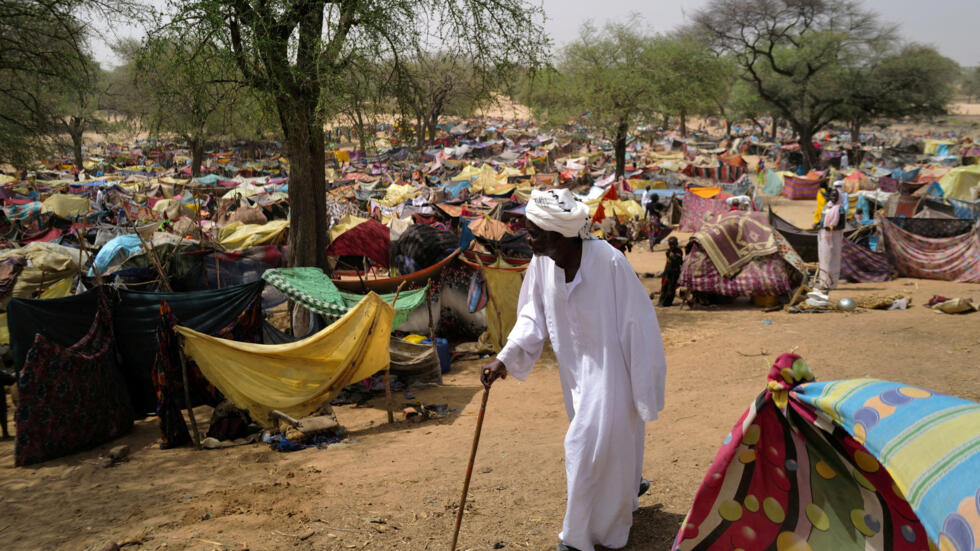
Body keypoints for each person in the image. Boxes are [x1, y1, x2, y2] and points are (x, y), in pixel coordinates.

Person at [481, 189, 667, 551]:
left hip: (615, 373)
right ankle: (625, 495)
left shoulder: (609, 262)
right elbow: (532, 315)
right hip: (575, 374)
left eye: (533, 231)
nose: (527, 237)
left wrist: (643, 387)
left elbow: (639, 326)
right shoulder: (541, 264)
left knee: (581, 445)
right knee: (609, 451)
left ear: (558, 234)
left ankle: (577, 539)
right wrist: (504, 358)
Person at [817, 186, 846, 291]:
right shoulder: (827, 206)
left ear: (838, 197)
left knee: (831, 259)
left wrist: (832, 227)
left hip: (834, 237)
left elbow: (842, 225)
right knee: (823, 259)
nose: (833, 197)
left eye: (835, 195)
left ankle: (831, 284)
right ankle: (823, 282)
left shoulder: (840, 209)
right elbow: (822, 220)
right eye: (831, 195)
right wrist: (818, 225)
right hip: (823, 236)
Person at [659, 237, 684, 307]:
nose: (672, 246)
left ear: (676, 244)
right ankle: (661, 301)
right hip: (667, 271)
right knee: (664, 286)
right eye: (670, 244)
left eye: (673, 244)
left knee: (671, 287)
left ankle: (667, 302)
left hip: (674, 272)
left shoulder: (678, 251)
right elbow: (669, 261)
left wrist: (673, 256)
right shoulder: (668, 251)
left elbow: (679, 261)